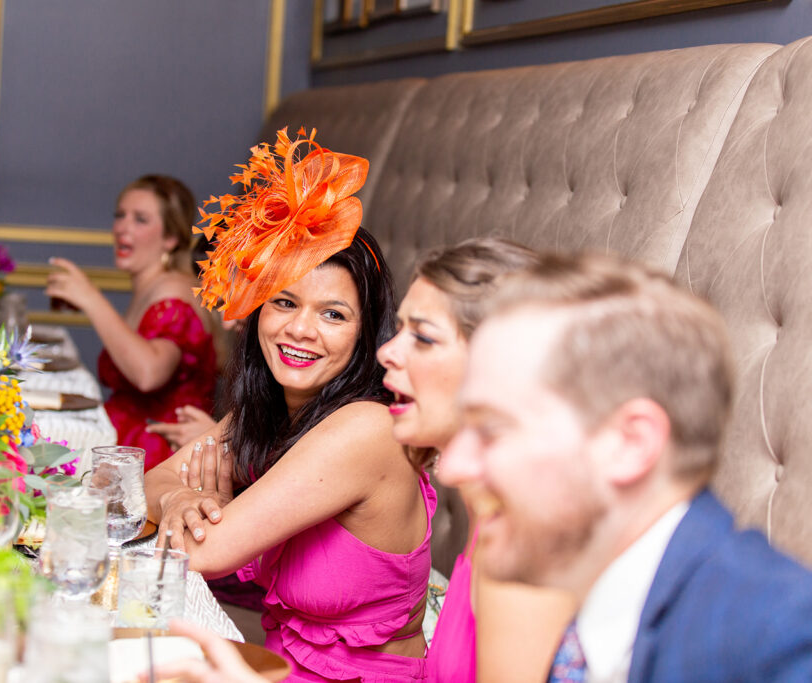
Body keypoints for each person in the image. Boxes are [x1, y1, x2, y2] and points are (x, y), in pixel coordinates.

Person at [438, 252, 812, 681]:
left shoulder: (779, 643)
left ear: (631, 444)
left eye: (492, 430)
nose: (451, 468)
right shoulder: (594, 611)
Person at [145, 129, 433, 682]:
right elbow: (150, 484)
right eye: (284, 302)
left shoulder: (365, 427)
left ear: (366, 334)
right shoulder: (274, 404)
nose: (300, 330)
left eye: (333, 314)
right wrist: (184, 495)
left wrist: (197, 508)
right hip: (277, 664)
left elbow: (205, 552)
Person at [375, 238, 575, 682]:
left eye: (423, 338)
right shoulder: (489, 513)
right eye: (398, 330)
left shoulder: (524, 545)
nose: (386, 352)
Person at [46, 174, 217, 470]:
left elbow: (148, 374)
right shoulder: (152, 288)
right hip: (125, 441)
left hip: (155, 456)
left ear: (170, 238)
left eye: (140, 219)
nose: (123, 228)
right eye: (120, 216)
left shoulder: (174, 291)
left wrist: (91, 299)